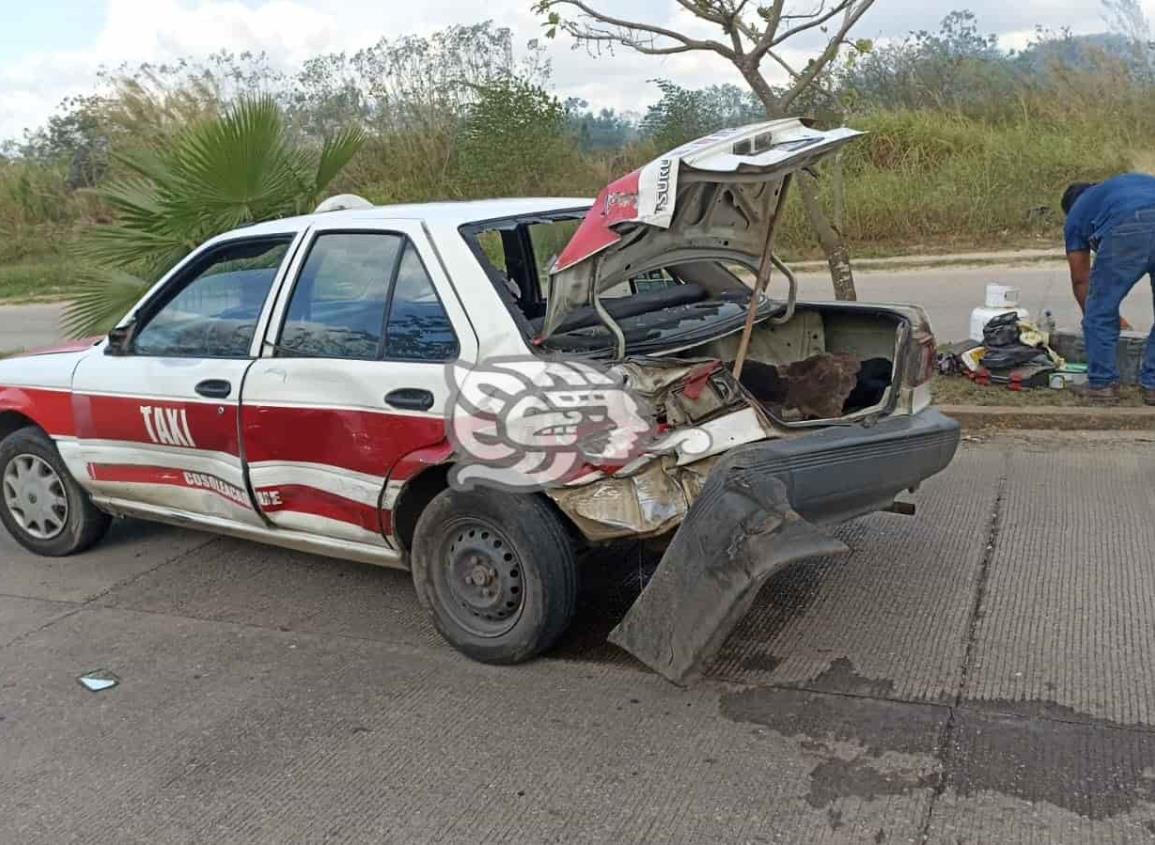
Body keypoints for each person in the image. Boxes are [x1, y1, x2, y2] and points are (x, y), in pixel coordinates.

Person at [1063, 175, 1155, 405]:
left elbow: (1081, 280)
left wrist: (1098, 316)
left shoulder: (1077, 212)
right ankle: (1153, 386)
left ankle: (1102, 384)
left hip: (1130, 225)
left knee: (1099, 310)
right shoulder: (1125, 185)